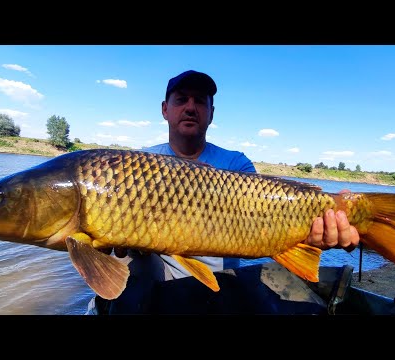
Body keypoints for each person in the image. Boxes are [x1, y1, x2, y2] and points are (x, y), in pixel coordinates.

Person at [85, 70, 360, 314]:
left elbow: (264, 225)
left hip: (219, 280)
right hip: (159, 275)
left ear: (211, 113)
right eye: (181, 99)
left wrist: (322, 229)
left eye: (200, 101)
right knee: (130, 259)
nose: (190, 107)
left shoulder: (235, 164)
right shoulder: (140, 164)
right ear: (165, 109)